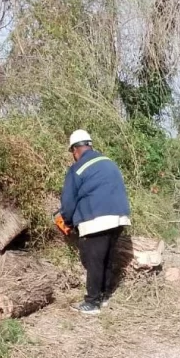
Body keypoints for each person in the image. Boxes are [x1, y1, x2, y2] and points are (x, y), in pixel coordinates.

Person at [60, 130, 131, 315]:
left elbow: (68, 202)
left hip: (96, 218)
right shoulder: (109, 162)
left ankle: (91, 303)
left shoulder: (77, 168)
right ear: (90, 145)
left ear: (75, 150)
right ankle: (105, 295)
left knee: (94, 261)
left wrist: (67, 221)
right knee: (107, 258)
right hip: (120, 217)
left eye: (72, 152)